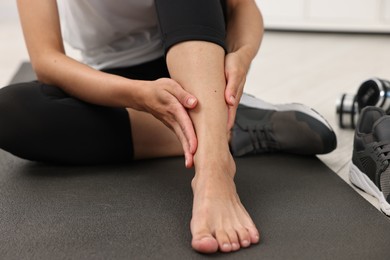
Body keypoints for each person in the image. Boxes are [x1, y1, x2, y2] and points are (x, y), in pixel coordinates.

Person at [0, 0, 336, 254]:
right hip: (120, 84)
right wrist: (137, 94)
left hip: (196, 65)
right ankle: (221, 127)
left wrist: (242, 55)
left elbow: (242, 7)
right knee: (11, 112)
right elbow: (46, 60)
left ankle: (214, 170)